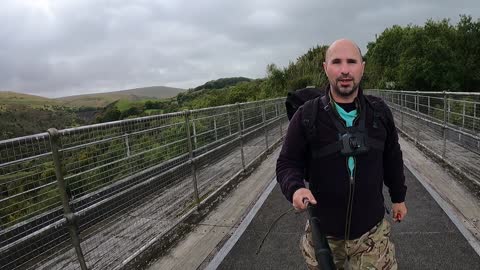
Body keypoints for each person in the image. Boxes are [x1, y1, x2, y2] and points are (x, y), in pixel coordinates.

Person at [276, 39, 407, 270]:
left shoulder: (380, 113)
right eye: (336, 62)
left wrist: (398, 198)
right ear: (326, 68)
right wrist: (295, 188)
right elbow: (288, 162)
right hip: (323, 235)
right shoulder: (307, 115)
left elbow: (392, 158)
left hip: (371, 236)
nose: (345, 69)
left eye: (351, 62)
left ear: (362, 67)